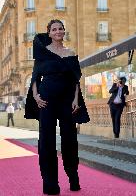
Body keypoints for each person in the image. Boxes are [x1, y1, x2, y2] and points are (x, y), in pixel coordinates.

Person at [24, 19, 90, 195]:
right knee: (47, 141)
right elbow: (35, 77)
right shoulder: (43, 53)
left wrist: (76, 99)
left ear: (64, 31)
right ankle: (50, 184)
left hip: (67, 100)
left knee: (69, 139)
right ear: (49, 33)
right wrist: (36, 96)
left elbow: (75, 79)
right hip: (46, 100)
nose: (58, 31)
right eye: (54, 29)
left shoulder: (71, 52)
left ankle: (73, 177)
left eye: (60, 28)